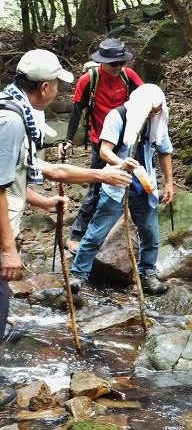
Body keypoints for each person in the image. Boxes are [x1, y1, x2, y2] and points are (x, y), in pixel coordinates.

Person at [0, 50, 132, 385]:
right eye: (57, 84)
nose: (59, 89)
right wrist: (8, 250)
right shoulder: (12, 122)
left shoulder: (13, 112)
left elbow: (21, 174)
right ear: (44, 88)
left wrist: (43, 202)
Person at [70, 84, 174, 295]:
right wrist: (121, 163)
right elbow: (104, 151)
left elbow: (164, 151)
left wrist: (169, 182)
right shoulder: (118, 116)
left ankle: (147, 274)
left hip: (145, 186)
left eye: (158, 110)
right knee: (97, 232)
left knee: (151, 235)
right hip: (117, 182)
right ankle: (78, 274)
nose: (155, 113)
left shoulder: (157, 121)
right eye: (152, 110)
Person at [59, 38, 143, 254]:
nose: (118, 67)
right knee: (96, 188)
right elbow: (77, 110)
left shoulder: (128, 76)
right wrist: (68, 140)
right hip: (101, 142)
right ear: (103, 62)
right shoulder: (90, 79)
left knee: (132, 185)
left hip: (127, 140)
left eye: (121, 63)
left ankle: (122, 231)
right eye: (114, 64)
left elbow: (145, 98)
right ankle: (77, 235)